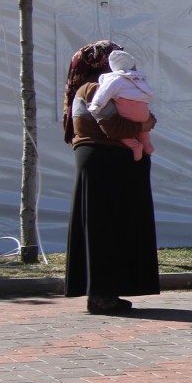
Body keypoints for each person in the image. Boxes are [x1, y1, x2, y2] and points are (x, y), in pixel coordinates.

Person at [62, 40, 160, 313]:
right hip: (107, 162)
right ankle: (101, 294)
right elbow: (114, 126)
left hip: (104, 163)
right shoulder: (96, 88)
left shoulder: (102, 86)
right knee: (105, 227)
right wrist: (144, 124)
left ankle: (105, 292)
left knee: (103, 226)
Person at [88, 49, 155, 161]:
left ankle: (135, 145)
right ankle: (147, 145)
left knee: (124, 133)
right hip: (144, 111)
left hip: (128, 111)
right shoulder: (139, 78)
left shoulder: (114, 78)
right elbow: (150, 92)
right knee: (144, 130)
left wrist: (96, 105)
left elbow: (104, 91)